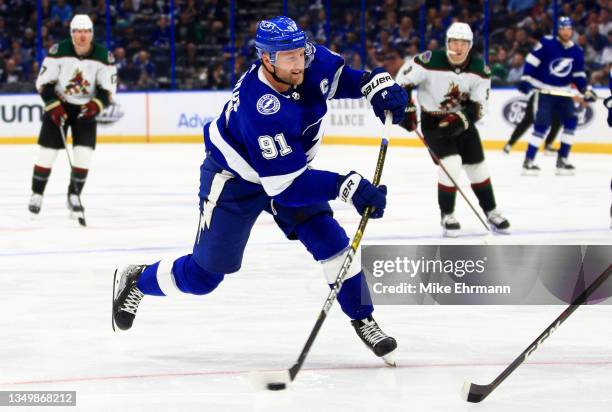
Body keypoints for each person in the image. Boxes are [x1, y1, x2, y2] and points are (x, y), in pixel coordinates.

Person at [112, 16, 408, 364]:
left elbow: (342, 79)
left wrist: (376, 84)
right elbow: (287, 188)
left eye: (301, 52)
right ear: (267, 59)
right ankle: (137, 280)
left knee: (333, 243)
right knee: (204, 276)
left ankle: (363, 317)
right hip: (235, 180)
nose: (300, 62)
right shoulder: (261, 109)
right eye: (289, 57)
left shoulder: (311, 60)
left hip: (286, 171)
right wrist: (348, 187)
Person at [393, 22, 510, 237]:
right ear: (447, 42)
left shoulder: (480, 69)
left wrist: (461, 120)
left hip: (462, 122)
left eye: (463, 43)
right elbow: (402, 82)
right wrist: (406, 108)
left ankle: (491, 211)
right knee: (451, 164)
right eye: (454, 41)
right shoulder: (428, 60)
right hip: (433, 122)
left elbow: (480, 105)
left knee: (479, 168)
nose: (458, 47)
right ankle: (447, 215)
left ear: (470, 45)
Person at [28, 15, 117, 220]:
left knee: (83, 155)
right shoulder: (58, 52)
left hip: (86, 109)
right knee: (47, 153)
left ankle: (74, 195)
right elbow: (43, 83)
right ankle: (37, 194)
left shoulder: (104, 56)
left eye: (86, 31)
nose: (82, 35)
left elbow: (108, 90)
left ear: (91, 33)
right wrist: (53, 105)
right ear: (72, 33)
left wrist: (96, 105)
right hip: (59, 105)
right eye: (78, 31)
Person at [518, 16, 597, 176]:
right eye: (563, 29)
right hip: (545, 91)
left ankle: (562, 160)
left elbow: (578, 75)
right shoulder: (547, 43)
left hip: (565, 92)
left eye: (568, 29)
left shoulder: (577, 50)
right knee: (541, 126)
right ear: (558, 30)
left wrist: (585, 90)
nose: (566, 32)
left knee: (571, 122)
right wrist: (526, 79)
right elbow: (531, 61)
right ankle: (529, 161)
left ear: (572, 30)